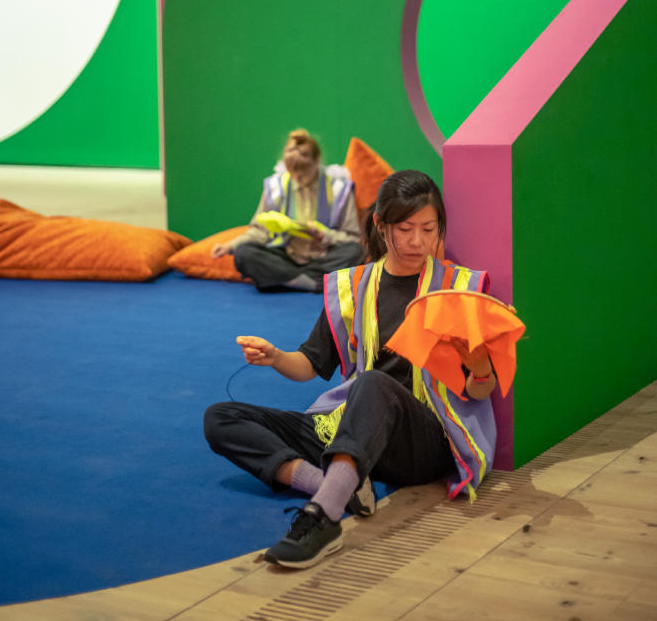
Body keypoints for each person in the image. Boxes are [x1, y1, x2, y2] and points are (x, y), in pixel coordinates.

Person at [204, 170, 498, 570]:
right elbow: (310, 365)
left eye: (428, 228)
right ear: (381, 225)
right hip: (351, 424)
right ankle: (330, 482)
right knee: (220, 418)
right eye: (405, 228)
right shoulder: (354, 285)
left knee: (372, 383)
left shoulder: (459, 290)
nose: (417, 240)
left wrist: (480, 367)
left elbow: (481, 391)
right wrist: (276, 357)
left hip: (422, 439)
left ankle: (323, 516)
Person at [211, 129, 364, 293]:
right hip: (285, 257)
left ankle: (286, 280)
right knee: (244, 253)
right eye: (293, 173)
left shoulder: (339, 189)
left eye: (303, 173)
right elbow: (259, 231)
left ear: (317, 161)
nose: (297, 179)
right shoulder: (276, 186)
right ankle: (313, 283)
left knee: (357, 252)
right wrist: (230, 246)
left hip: (324, 257)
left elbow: (353, 239)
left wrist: (323, 235)